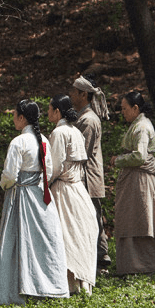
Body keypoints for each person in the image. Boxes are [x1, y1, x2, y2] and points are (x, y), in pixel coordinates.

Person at [0, 99, 69, 305]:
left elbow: (9, 174)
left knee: (16, 241)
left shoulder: (18, 142)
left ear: (22, 117)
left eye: (15, 114)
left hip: (21, 197)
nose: (13, 118)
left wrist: (5, 186)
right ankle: (46, 287)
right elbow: (49, 172)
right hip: (40, 195)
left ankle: (16, 290)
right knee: (42, 242)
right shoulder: (43, 139)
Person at [47, 94, 98, 294]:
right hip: (78, 189)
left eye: (50, 109)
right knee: (79, 232)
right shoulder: (76, 131)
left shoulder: (59, 133)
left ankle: (71, 282)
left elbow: (55, 166)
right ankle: (78, 283)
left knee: (66, 234)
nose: (48, 113)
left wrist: (44, 184)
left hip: (64, 190)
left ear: (57, 111)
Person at [110, 91, 155, 275]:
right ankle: (132, 264)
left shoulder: (141, 127)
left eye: (125, 109)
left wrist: (119, 160)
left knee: (140, 219)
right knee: (132, 218)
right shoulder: (137, 124)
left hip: (139, 180)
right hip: (134, 179)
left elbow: (140, 156)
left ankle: (145, 264)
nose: (123, 112)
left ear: (135, 108)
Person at [69, 74, 111, 268]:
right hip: (85, 176)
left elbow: (82, 152)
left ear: (83, 94)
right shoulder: (83, 117)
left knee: (93, 217)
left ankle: (101, 257)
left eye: (73, 91)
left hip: (89, 177)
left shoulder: (89, 120)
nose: (70, 95)